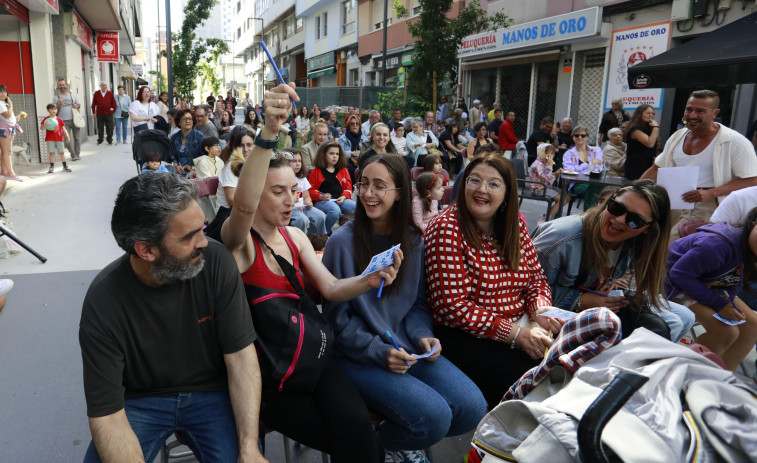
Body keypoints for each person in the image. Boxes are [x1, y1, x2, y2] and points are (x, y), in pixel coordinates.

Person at [221, 84, 395, 462]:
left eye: (293, 190)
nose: (292, 199)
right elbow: (244, 207)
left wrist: (369, 278)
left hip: (312, 355)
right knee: (351, 441)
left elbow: (330, 287)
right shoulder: (240, 243)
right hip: (271, 375)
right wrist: (268, 130)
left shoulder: (296, 235)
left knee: (358, 429)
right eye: (278, 192)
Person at [79, 173, 268, 463]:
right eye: (190, 236)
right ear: (147, 250)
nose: (204, 242)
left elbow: (241, 358)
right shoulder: (104, 300)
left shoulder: (216, 263)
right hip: (140, 401)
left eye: (202, 228)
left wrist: (249, 448)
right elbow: (108, 414)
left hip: (213, 393)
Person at [323, 154, 486, 463]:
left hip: (407, 347)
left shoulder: (413, 240)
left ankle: (390, 438)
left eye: (379, 186)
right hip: (356, 355)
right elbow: (335, 321)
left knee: (471, 408)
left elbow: (417, 303)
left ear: (400, 193)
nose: (368, 193)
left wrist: (424, 335)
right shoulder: (341, 242)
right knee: (433, 417)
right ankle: (376, 446)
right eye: (364, 184)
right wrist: (377, 352)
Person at [424, 152, 561, 408]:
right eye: (474, 180)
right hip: (466, 336)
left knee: (570, 368)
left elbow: (536, 280)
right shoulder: (447, 227)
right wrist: (516, 334)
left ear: (508, 193)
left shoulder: (513, 227)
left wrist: (540, 311)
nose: (481, 189)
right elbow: (452, 306)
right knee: (539, 388)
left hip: (521, 326)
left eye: (493, 184)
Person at [532, 179, 696, 342]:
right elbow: (524, 290)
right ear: (608, 201)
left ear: (649, 229)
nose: (619, 220)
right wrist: (580, 301)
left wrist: (612, 285)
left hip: (600, 307)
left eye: (634, 220)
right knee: (670, 323)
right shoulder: (561, 239)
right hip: (556, 318)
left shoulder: (636, 242)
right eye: (617, 208)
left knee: (686, 316)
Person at [641, 90, 757, 240]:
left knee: (671, 246)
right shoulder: (677, 136)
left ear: (715, 113)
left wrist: (710, 193)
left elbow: (753, 180)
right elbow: (656, 169)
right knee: (653, 242)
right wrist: (633, 189)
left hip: (707, 205)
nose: (692, 115)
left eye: (701, 111)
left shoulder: (734, 141)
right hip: (672, 200)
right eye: (689, 109)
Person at [666, 208, 757, 371]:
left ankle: (722, 378)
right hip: (671, 283)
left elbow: (731, 280)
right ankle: (684, 375)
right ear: (753, 224)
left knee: (752, 326)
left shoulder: (750, 249)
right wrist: (720, 305)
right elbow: (679, 274)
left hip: (706, 284)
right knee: (726, 332)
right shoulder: (720, 244)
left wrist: (728, 302)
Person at [307, 141, 357, 231]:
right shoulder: (316, 172)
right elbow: (310, 191)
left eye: (337, 154)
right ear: (323, 154)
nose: (335, 156)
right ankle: (322, 234)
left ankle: (349, 233)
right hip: (322, 201)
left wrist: (344, 197)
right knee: (334, 211)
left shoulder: (343, 170)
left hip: (340, 200)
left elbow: (348, 187)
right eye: (331, 153)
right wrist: (321, 196)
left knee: (357, 208)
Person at [285, 148, 328, 235]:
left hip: (303, 207)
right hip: (291, 208)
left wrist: (308, 201)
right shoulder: (283, 178)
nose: (297, 164)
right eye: (294, 161)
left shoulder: (301, 178)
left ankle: (318, 240)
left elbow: (307, 196)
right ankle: (299, 241)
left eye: (299, 161)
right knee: (302, 220)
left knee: (320, 216)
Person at [563, 125, 604, 210]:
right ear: (573, 137)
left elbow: (599, 168)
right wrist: (589, 163)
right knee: (594, 189)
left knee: (601, 189)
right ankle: (590, 217)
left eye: (583, 135)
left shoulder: (596, 150)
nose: (580, 137)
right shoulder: (569, 153)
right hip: (577, 183)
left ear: (587, 137)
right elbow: (569, 171)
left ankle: (589, 216)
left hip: (594, 181)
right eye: (576, 135)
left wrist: (580, 168)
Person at [623, 104, 659, 180]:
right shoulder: (635, 128)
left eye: (652, 113)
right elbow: (650, 143)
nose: (651, 115)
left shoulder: (647, 127)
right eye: (648, 113)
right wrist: (656, 127)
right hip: (636, 165)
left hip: (647, 163)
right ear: (640, 113)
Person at [530, 144, 567, 218]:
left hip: (544, 187)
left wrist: (555, 174)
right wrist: (550, 166)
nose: (550, 155)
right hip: (538, 189)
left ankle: (549, 215)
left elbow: (549, 180)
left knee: (566, 195)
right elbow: (545, 178)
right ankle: (547, 217)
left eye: (552, 153)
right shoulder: (537, 164)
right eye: (547, 153)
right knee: (562, 200)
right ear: (541, 153)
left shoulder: (544, 164)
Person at [53, 79, 82, 161]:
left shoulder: (72, 96)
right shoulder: (56, 98)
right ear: (58, 87)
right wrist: (58, 104)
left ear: (66, 85)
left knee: (77, 138)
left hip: (75, 120)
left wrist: (77, 106)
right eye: (60, 85)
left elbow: (78, 105)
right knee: (67, 139)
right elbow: (55, 112)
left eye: (63, 84)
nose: (62, 86)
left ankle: (77, 154)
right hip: (63, 121)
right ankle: (73, 154)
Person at [170, 109, 205, 176]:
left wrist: (194, 171)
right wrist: (176, 166)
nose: (187, 121)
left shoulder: (199, 136)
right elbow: (172, 156)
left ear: (193, 121)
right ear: (179, 121)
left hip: (194, 173)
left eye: (190, 118)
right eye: (184, 118)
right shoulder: (174, 138)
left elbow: (203, 157)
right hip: (177, 172)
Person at [40, 103, 71, 174]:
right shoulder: (46, 119)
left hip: (59, 138)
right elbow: (41, 128)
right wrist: (45, 124)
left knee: (61, 153)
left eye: (55, 109)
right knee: (51, 153)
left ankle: (65, 166)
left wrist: (67, 136)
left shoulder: (59, 119)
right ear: (48, 110)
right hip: (50, 139)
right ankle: (51, 167)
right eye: (52, 109)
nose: (54, 110)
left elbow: (63, 128)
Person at [0, 84, 22, 180]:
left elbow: (9, 117)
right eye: (0, 91)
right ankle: (10, 173)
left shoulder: (4, 104)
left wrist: (18, 116)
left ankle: (4, 172)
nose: (3, 93)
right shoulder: (1, 104)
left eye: (4, 91)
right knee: (7, 151)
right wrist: (11, 104)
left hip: (9, 128)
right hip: (5, 130)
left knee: (5, 151)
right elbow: (8, 114)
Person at [338, 114, 365, 180]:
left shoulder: (364, 139)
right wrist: (353, 153)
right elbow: (340, 154)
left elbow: (367, 153)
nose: (355, 125)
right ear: (349, 126)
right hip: (347, 165)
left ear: (359, 126)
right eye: (352, 123)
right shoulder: (342, 139)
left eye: (357, 123)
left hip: (361, 165)